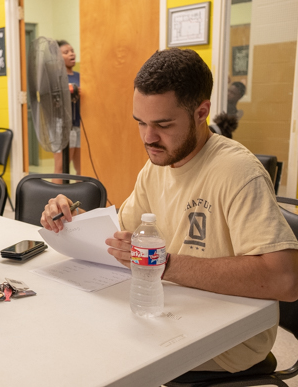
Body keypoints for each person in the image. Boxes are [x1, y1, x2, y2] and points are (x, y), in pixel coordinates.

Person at [40, 48, 298, 374]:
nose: (149, 138)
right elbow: (120, 238)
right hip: (174, 312)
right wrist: (72, 222)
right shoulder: (155, 168)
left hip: (232, 340)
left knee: (97, 362)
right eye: (141, 123)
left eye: (163, 124)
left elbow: (285, 280)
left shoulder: (238, 172)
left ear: (201, 111)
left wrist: (164, 264)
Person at [54, 40, 81, 177]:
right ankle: (56, 197)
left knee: (81, 168)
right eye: (66, 52)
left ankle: (80, 197)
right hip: (63, 125)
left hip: (79, 124)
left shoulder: (79, 76)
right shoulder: (56, 78)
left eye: (72, 51)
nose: (71, 54)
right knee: (61, 169)